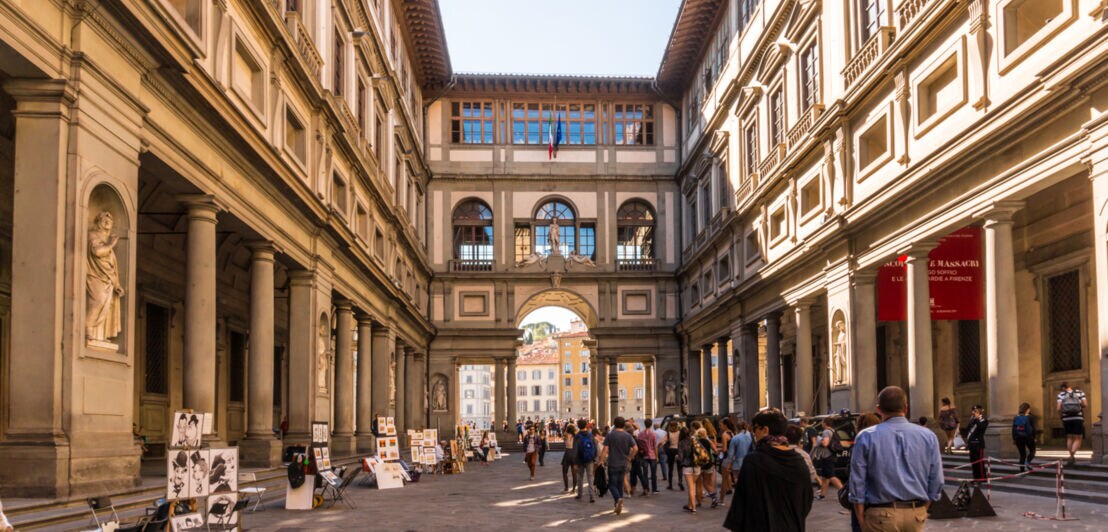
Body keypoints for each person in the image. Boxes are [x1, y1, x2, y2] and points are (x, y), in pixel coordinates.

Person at [848, 386, 943, 532]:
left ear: (879, 409)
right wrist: (924, 508)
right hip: (915, 514)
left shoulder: (866, 436)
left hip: (880, 515)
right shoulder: (928, 436)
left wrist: (860, 519)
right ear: (906, 408)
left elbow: (857, 481)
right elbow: (936, 479)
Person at [724, 409, 813, 531]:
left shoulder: (753, 460)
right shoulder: (799, 460)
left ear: (765, 430)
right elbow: (806, 500)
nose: (753, 433)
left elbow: (741, 505)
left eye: (755, 429)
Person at [849, 413, 883, 532]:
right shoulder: (884, 441)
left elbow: (857, 477)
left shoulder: (862, 439)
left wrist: (859, 512)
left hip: (866, 498)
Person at [597, 416, 637, 515]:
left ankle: (618, 499)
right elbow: (636, 448)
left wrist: (601, 460)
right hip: (624, 464)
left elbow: (605, 449)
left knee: (611, 484)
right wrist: (630, 457)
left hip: (613, 463)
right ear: (623, 424)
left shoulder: (610, 435)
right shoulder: (628, 436)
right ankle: (618, 504)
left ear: (614, 424)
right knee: (619, 484)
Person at [810, 417, 844, 499]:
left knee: (831, 476)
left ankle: (844, 493)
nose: (821, 424)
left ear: (825, 423)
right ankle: (822, 495)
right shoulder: (832, 430)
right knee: (825, 477)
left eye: (822, 422)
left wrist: (819, 439)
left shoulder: (826, 431)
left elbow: (825, 443)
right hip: (830, 456)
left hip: (827, 457)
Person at [1057, 382, 1087, 465]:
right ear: (1070, 386)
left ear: (1062, 388)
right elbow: (1085, 404)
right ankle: (1073, 453)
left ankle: (1071, 456)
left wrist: (1061, 417)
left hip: (1066, 418)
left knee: (1069, 437)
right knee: (1078, 437)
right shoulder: (1080, 392)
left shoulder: (1061, 395)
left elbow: (1059, 408)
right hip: (1078, 417)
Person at [675, 426, 699, 512]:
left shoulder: (681, 443)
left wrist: (677, 457)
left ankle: (694, 508)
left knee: (691, 488)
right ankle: (689, 505)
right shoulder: (694, 440)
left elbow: (681, 458)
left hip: (687, 467)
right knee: (693, 486)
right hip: (697, 466)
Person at [573, 419, 597, 503]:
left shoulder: (577, 436)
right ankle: (592, 496)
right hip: (589, 459)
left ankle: (580, 494)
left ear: (578, 426)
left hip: (580, 459)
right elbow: (595, 446)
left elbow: (575, 449)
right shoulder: (590, 435)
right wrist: (594, 457)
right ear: (586, 425)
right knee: (590, 477)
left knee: (580, 477)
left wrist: (575, 462)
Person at [696, 427, 719, 508]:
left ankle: (699, 501)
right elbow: (716, 450)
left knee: (698, 484)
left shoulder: (696, 442)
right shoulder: (708, 441)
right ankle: (714, 497)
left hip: (699, 464)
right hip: (708, 463)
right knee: (707, 483)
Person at [965, 405, 988, 483]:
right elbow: (967, 430)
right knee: (973, 462)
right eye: (973, 411)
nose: (974, 413)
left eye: (976, 411)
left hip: (978, 444)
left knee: (979, 462)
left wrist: (977, 419)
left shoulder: (983, 420)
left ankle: (982, 478)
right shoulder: (973, 420)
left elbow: (981, 428)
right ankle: (975, 478)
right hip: (971, 443)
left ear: (980, 411)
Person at [1012, 402, 1036, 473]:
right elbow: (1033, 428)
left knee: (1022, 455)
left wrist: (1014, 438)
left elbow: (1013, 429)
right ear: (1027, 409)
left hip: (1018, 438)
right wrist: (1034, 437)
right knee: (1032, 451)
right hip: (1028, 437)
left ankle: (1022, 470)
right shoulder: (1030, 417)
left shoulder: (1016, 417)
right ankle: (1028, 462)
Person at [638, 418, 659, 494]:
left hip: (644, 456)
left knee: (645, 473)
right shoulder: (653, 434)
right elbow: (655, 446)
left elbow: (638, 444)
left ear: (644, 424)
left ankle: (646, 488)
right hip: (652, 455)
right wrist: (657, 456)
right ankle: (654, 489)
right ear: (651, 425)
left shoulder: (640, 434)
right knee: (653, 473)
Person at [665, 421, 683, 490]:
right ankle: (680, 481)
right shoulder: (679, 433)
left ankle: (670, 484)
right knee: (679, 468)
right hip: (678, 450)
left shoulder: (668, 433)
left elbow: (663, 441)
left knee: (670, 468)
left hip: (671, 450)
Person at [562, 424, 579, 492]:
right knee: (574, 473)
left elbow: (564, 444)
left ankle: (566, 488)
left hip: (567, 453)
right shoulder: (576, 436)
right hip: (574, 454)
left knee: (564, 472)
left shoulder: (565, 435)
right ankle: (574, 489)